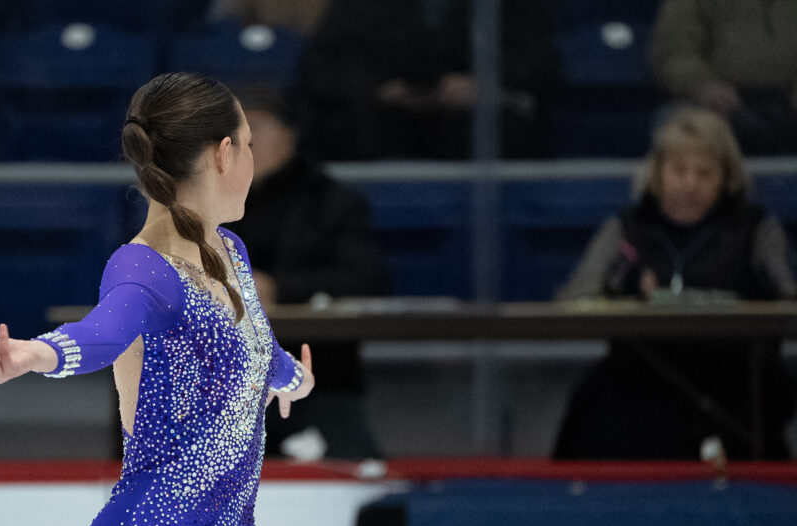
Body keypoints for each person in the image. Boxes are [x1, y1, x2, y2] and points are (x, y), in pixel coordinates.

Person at [0, 72, 315, 526]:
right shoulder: (144, 268)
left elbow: (257, 351)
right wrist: (33, 355)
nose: (252, 158)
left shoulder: (232, 254)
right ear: (223, 153)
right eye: (247, 143)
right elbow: (101, 334)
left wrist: (295, 380)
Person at [554, 107, 796, 461]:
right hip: (643, 376)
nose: (689, 184)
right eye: (679, 171)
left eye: (704, 174)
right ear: (658, 173)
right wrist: (630, 292)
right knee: (594, 397)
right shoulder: (628, 228)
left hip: (732, 377)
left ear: (727, 179)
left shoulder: (756, 229)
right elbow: (575, 299)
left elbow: (789, 299)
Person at [231, 89, 389, 461]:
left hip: (321, 376)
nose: (247, 140)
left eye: (258, 126)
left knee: (355, 472)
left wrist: (278, 289)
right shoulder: (202, 204)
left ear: (291, 134)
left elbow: (367, 279)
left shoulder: (332, 202)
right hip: (225, 382)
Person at [292, 0, 555, 160]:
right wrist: (378, 90)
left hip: (474, 126)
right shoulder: (363, 7)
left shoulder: (509, 7)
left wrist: (485, 85)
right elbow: (326, 63)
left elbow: (538, 61)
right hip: (382, 124)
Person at [650, 0, 797, 155]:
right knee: (673, 122)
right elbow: (675, 52)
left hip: (788, 98)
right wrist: (704, 85)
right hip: (718, 101)